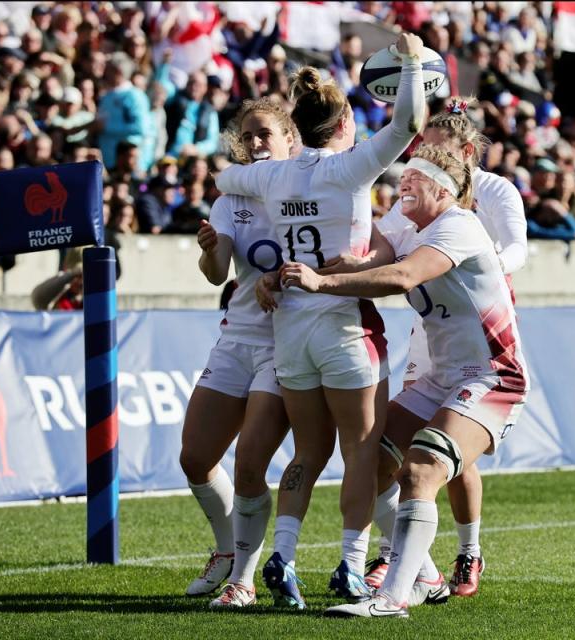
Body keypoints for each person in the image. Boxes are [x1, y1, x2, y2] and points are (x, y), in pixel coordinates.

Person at [216, 33, 425, 609]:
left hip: (289, 328)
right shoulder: (349, 168)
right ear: (340, 126)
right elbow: (407, 124)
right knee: (360, 451)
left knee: (307, 453)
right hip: (342, 325)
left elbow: (223, 179)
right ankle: (352, 566)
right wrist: (410, 61)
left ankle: (282, 557)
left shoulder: (271, 175)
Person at [277, 144, 529, 618]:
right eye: (403, 176)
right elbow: (365, 258)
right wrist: (287, 271)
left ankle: (392, 598)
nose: (403, 184)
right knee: (369, 466)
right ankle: (427, 576)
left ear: (443, 188)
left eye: (414, 178)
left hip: (494, 373)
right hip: (440, 375)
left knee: (420, 470)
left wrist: (321, 283)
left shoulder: (458, 225)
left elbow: (400, 276)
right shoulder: (410, 224)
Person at [365, 96, 528, 598]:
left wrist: (480, 264)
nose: (422, 160)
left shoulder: (481, 202)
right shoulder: (415, 201)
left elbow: (516, 247)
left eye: (437, 153)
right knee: (373, 464)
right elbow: (377, 248)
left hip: (484, 350)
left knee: (435, 462)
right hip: (434, 340)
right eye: (420, 150)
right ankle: (417, 568)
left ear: (465, 158)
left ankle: (460, 553)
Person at [178, 97, 297, 609]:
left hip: (286, 345)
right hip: (237, 337)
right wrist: (209, 248)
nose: (255, 144)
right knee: (196, 457)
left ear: (290, 138)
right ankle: (227, 552)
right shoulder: (230, 198)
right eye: (247, 136)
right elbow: (217, 272)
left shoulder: (306, 189)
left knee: (250, 464)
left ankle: (243, 581)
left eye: (265, 134)